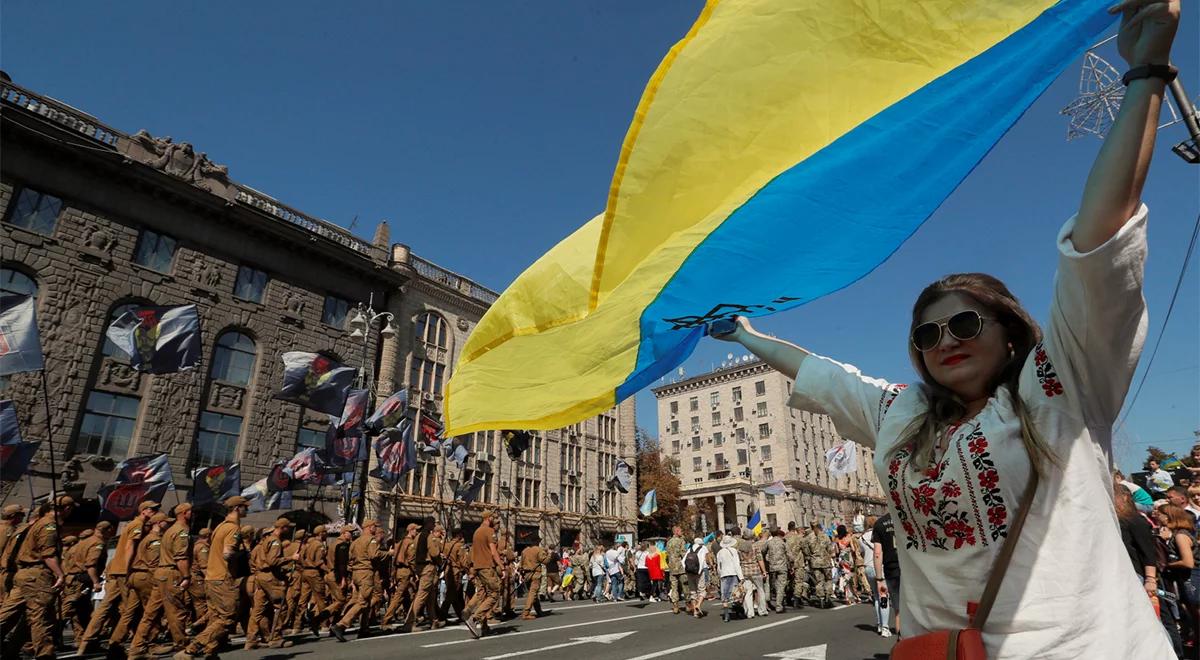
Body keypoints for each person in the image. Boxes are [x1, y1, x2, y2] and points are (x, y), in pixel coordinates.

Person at [715, 0, 1180, 647]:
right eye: (926, 334)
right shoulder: (900, 415)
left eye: (963, 323)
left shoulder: (1060, 384)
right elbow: (822, 373)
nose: (944, 342)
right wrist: (741, 334)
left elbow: (1099, 244)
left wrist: (1146, 71)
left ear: (1009, 331)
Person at [0, 495, 74, 660]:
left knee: (12, 615)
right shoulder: (48, 525)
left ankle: (10, 653)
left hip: (22, 575)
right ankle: (44, 655)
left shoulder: (28, 527)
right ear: (67, 509)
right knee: (41, 618)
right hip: (37, 576)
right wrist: (61, 575)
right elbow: (47, 554)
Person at [465, 511, 504, 639]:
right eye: (493, 517)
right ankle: (475, 619)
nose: (495, 519)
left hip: (478, 567)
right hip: (487, 566)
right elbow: (493, 552)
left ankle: (485, 626)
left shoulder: (477, 531)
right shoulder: (488, 531)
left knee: (483, 595)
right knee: (494, 593)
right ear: (488, 518)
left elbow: (473, 551)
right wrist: (501, 566)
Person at [716, 534, 743, 623]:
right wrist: (741, 577)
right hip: (733, 573)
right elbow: (737, 564)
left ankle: (726, 615)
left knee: (725, 595)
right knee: (736, 593)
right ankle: (738, 611)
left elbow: (718, 566)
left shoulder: (720, 552)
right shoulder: (734, 551)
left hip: (724, 574)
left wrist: (720, 574)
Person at [665, 527, 689, 614]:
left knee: (674, 587)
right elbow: (683, 554)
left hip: (672, 567)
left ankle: (675, 606)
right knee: (685, 586)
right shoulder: (681, 541)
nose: (682, 532)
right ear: (677, 532)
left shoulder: (669, 542)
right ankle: (687, 604)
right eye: (681, 531)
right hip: (681, 567)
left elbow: (667, 555)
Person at [685, 538, 708, 618]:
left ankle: (695, 612)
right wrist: (699, 571)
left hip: (689, 572)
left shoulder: (689, 549)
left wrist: (687, 570)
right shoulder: (703, 548)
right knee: (702, 590)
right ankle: (698, 605)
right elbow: (703, 561)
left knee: (693, 591)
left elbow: (683, 561)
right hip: (699, 572)